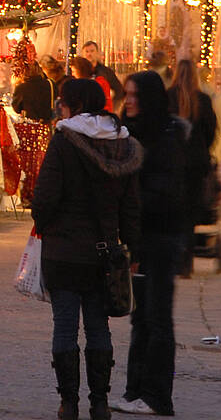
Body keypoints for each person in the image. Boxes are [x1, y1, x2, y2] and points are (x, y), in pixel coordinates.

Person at [33, 77, 142, 420]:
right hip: (104, 253)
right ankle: (99, 402)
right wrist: (131, 249)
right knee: (98, 327)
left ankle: (69, 403)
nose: (61, 108)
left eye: (64, 102)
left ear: (75, 105)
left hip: (64, 251)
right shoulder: (123, 145)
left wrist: (46, 225)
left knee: (65, 326)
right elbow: (131, 207)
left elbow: (45, 198)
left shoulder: (64, 141)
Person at [119, 71, 188, 417]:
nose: (129, 101)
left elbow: (165, 194)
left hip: (160, 238)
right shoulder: (132, 132)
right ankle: (135, 391)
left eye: (135, 95)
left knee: (157, 318)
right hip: (142, 237)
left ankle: (158, 396)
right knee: (140, 317)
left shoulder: (165, 137)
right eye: (126, 94)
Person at [168, 58, 219, 261]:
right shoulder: (203, 99)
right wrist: (203, 149)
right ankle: (187, 257)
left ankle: (176, 255)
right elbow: (211, 131)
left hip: (172, 160)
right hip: (196, 162)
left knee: (174, 209)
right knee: (190, 211)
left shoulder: (168, 97)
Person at [11, 59, 55, 123]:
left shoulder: (21, 88)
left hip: (30, 126)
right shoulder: (51, 83)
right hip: (48, 125)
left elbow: (17, 109)